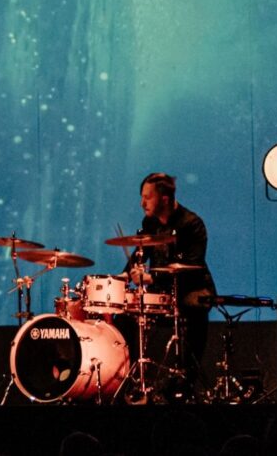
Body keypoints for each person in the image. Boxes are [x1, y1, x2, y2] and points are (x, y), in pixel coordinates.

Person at [122, 172, 216, 401]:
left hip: (192, 289)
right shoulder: (150, 222)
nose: (142, 203)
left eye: (147, 197)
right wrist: (124, 276)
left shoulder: (192, 224)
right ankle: (129, 380)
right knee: (123, 318)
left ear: (164, 199)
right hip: (161, 292)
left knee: (193, 307)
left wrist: (151, 278)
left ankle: (185, 382)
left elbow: (192, 267)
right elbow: (140, 252)